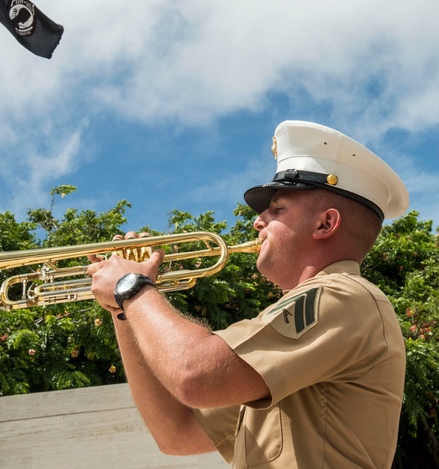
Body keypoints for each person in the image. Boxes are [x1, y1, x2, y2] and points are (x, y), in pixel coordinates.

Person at [86, 120, 410, 468]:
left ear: (325, 224)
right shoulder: (306, 328)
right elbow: (175, 433)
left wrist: (132, 289)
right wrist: (122, 310)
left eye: (278, 209)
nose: (258, 221)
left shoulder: (343, 296)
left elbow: (194, 375)